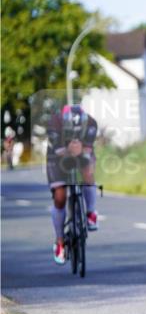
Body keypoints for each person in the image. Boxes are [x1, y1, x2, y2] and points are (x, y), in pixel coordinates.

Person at [47, 104, 100, 264]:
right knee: (60, 196)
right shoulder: (54, 123)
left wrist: (82, 149)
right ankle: (60, 242)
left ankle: (90, 212)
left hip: (81, 152)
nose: (75, 135)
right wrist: (68, 149)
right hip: (57, 157)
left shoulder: (91, 123)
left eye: (78, 131)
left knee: (88, 173)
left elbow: (89, 149)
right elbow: (56, 150)